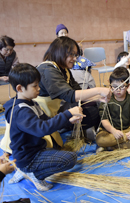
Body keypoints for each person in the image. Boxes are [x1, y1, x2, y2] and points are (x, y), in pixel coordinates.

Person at [4, 63, 83, 191]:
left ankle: (29, 170)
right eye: (35, 86)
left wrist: (69, 120)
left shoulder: (31, 103)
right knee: (70, 159)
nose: (39, 88)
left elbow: (47, 121)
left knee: (65, 153)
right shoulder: (20, 111)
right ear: (20, 88)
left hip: (36, 150)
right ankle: (33, 174)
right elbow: (42, 129)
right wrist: (68, 113)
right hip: (28, 157)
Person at [96, 67, 130, 153]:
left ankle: (111, 147)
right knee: (101, 140)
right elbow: (104, 119)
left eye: (122, 87)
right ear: (110, 86)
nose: (118, 90)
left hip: (125, 130)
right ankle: (116, 145)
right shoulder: (106, 100)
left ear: (128, 86)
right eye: (114, 87)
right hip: (109, 131)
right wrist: (113, 131)